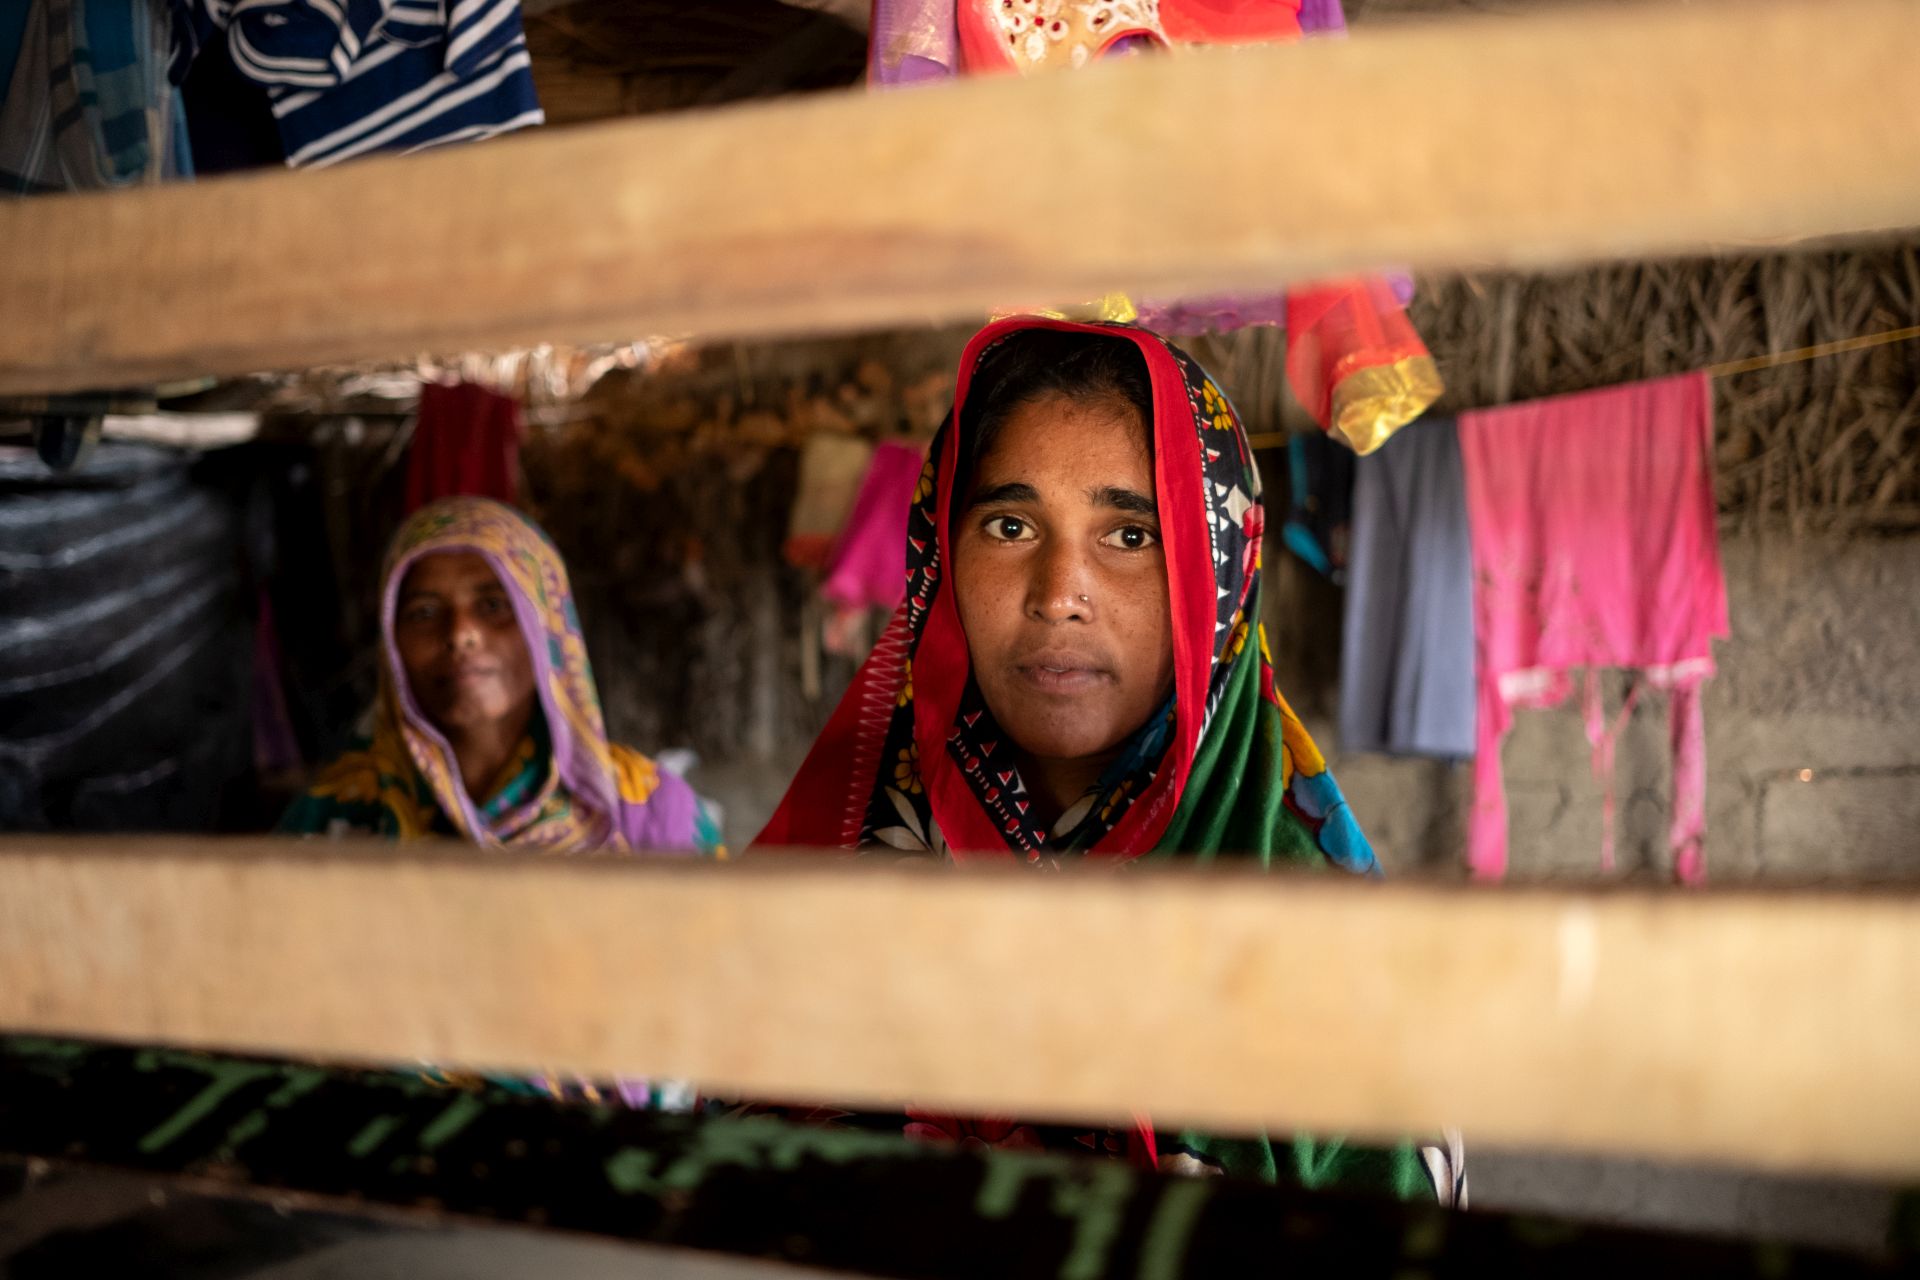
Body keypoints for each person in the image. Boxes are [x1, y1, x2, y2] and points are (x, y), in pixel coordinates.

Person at [755, 317, 1461, 1201]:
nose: (1058, 596)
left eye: (1131, 536)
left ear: (1220, 578)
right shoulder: (827, 857)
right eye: (1010, 525)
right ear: (941, 553)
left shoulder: (1341, 970)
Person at [281, 496, 717, 856]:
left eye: (493, 605)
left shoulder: (648, 812)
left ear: (546, 627)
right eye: (424, 612)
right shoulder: (335, 816)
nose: (461, 634)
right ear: (392, 641)